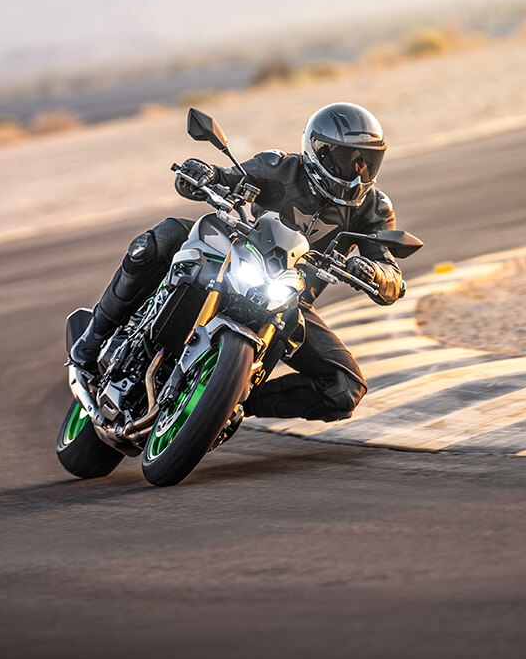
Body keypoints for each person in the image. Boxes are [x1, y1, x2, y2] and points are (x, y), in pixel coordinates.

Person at [69, 102, 405, 422]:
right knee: (162, 239)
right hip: (236, 255)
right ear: (319, 152)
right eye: (348, 159)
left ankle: (230, 401)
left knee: (345, 388)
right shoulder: (280, 167)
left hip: (289, 299)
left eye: (366, 162)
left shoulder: (373, 209)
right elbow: (225, 177)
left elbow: (392, 275)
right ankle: (94, 337)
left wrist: (375, 272)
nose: (357, 171)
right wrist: (202, 175)